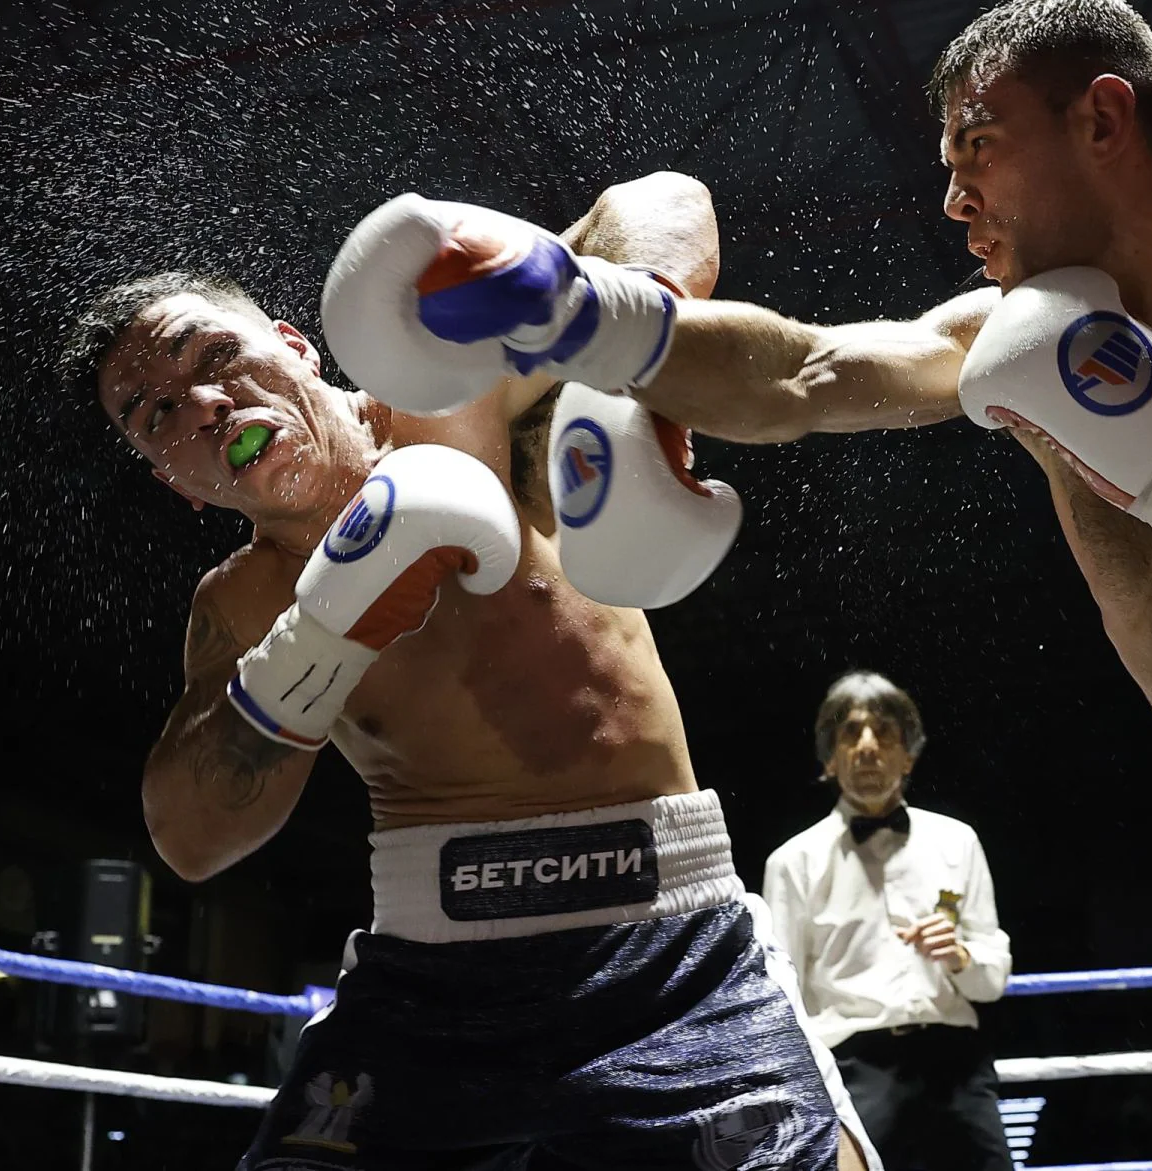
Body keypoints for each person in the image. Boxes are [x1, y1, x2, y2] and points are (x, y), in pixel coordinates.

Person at [321, 0, 1152, 1171]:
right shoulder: (1019, 336)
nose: (954, 196)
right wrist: (580, 314)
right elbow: (807, 371)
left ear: (1102, 119)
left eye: (979, 143)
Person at [63, 172, 877, 1171]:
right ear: (173, 483)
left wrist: (631, 343)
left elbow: (661, 200)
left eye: (214, 356)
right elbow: (187, 837)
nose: (197, 403)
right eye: (154, 415)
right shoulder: (241, 607)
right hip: (430, 985)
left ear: (292, 342)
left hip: (671, 945)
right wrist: (318, 640)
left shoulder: (457, 391)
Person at [763, 672, 1012, 1171]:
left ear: (909, 755)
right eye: (851, 733)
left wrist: (960, 956)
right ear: (829, 758)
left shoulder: (957, 841)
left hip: (954, 1060)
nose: (868, 748)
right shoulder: (792, 862)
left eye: (885, 733)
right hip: (853, 1068)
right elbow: (781, 999)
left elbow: (992, 981)